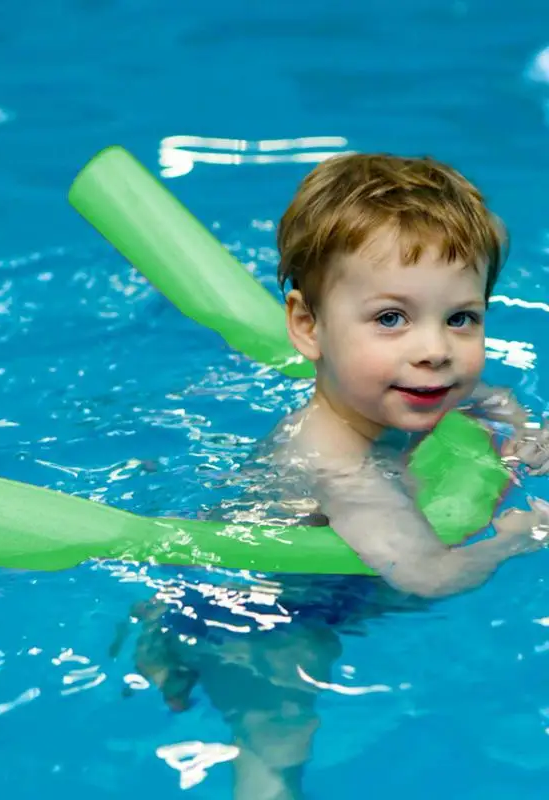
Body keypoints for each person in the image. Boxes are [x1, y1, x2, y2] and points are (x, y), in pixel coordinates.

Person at [119, 153, 549, 799]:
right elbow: (430, 576)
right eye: (390, 318)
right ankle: (172, 637)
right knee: (279, 739)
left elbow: (482, 394)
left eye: (461, 317)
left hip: (320, 583)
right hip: (258, 612)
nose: (434, 349)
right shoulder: (336, 462)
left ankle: (164, 638)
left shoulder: (407, 387)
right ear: (307, 326)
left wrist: (518, 428)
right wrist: (519, 535)